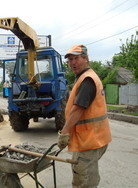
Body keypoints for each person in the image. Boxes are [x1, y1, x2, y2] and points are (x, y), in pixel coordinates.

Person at [57, 45, 112, 188]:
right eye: (70, 60)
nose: (72, 63)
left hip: (90, 139)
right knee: (84, 174)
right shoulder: (85, 77)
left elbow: (78, 109)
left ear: (86, 59)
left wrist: (64, 132)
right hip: (92, 138)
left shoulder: (87, 80)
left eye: (76, 58)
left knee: (84, 181)